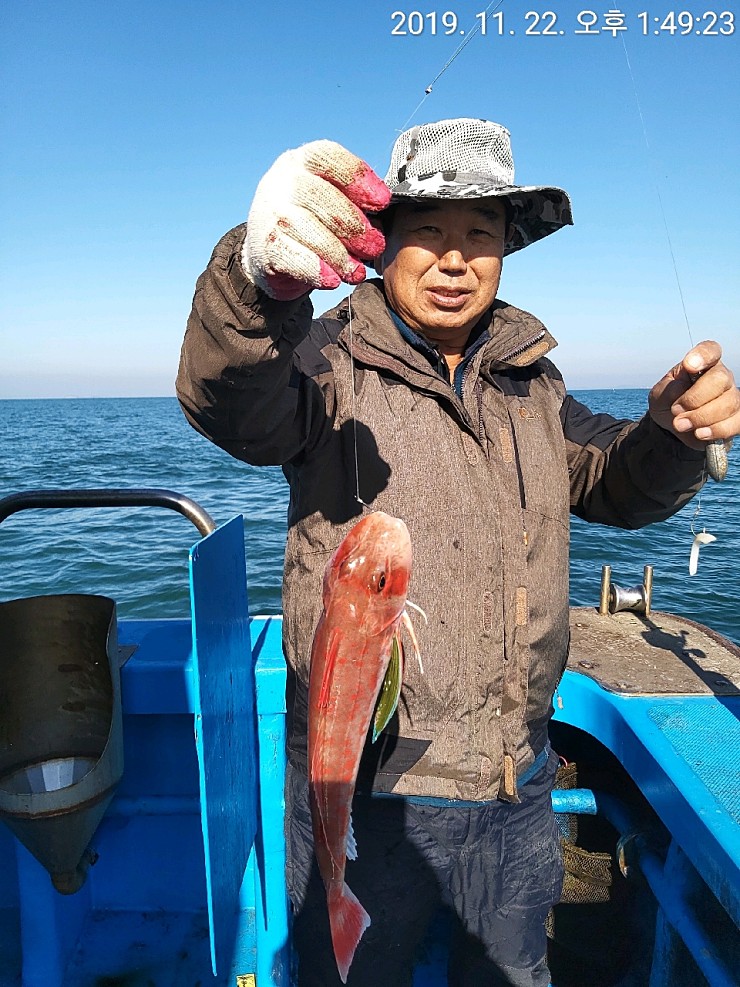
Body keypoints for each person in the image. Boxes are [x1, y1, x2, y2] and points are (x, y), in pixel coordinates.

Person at [177, 118, 740, 986]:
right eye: (428, 230)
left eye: (480, 233)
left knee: (512, 971)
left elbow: (612, 483)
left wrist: (668, 435)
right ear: (382, 242)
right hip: (367, 788)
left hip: (517, 780)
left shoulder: (533, 380)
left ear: (507, 249)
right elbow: (231, 399)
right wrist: (257, 283)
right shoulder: (325, 359)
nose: (454, 259)